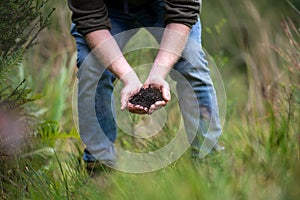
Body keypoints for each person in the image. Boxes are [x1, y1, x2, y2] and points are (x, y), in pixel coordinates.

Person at [68, 0, 223, 170]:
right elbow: (90, 18)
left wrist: (158, 72)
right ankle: (99, 166)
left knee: (191, 60)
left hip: (165, 4)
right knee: (91, 66)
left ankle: (208, 161)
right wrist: (128, 78)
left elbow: (183, 8)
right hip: (106, 7)